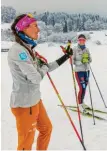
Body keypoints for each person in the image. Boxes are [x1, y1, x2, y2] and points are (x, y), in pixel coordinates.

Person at [8, 14, 73, 150]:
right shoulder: (18, 51)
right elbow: (36, 78)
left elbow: (46, 67)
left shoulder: (29, 49)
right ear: (24, 28)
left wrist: (65, 57)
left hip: (35, 100)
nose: (38, 30)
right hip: (25, 105)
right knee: (26, 143)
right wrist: (42, 67)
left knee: (46, 129)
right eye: (35, 26)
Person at [73, 34, 92, 113]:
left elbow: (90, 59)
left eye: (83, 40)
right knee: (82, 87)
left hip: (86, 71)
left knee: (84, 88)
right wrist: (80, 61)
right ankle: (79, 104)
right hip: (79, 71)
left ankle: (82, 102)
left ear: (85, 41)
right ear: (78, 40)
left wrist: (87, 59)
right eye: (80, 40)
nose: (82, 41)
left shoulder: (87, 49)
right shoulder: (75, 49)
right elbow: (72, 61)